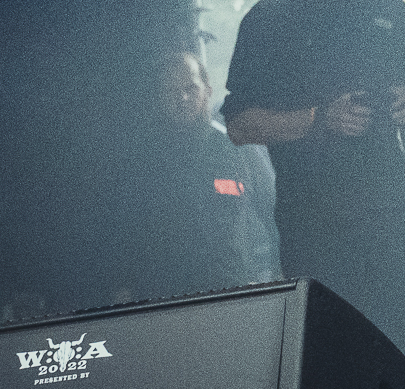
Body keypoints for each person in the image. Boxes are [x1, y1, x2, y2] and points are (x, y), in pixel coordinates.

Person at [223, 0, 405, 371]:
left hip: (398, 221)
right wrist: (318, 120)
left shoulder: (384, 4)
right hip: (321, 231)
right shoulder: (269, 20)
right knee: (339, 369)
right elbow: (239, 124)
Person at [101, 49, 281, 301]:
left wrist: (279, 278)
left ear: (207, 90)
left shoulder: (239, 149)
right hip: (163, 299)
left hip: (232, 295)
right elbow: (122, 233)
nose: (183, 97)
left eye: (190, 88)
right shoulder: (139, 164)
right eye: (172, 91)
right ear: (159, 98)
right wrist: (122, 288)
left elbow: (274, 214)